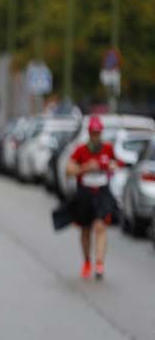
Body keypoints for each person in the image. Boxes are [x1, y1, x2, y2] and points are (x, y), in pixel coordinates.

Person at [66, 115, 117, 279]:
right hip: (85, 193)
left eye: (98, 133)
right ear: (89, 133)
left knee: (100, 226)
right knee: (85, 229)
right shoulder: (81, 150)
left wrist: (109, 166)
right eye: (93, 133)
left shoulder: (108, 148)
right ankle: (87, 260)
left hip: (101, 193)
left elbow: (116, 164)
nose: (96, 136)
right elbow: (69, 170)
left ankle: (99, 263)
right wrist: (85, 168)